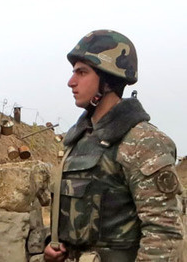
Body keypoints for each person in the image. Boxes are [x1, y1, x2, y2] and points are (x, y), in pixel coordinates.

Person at [44, 29, 184, 261]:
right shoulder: (78, 139)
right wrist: (55, 244)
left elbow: (164, 234)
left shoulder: (143, 142)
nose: (71, 82)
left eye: (82, 72)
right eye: (73, 72)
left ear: (108, 81)